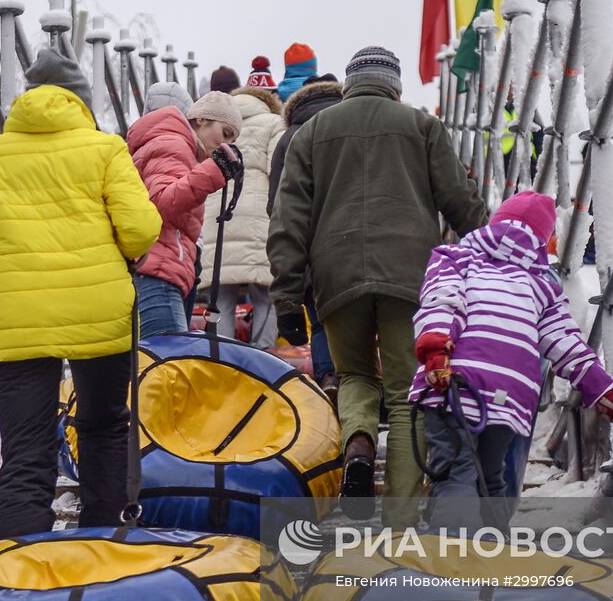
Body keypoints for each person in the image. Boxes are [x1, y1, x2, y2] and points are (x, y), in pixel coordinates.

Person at [0, 49, 162, 539]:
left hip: (17, 317)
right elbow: (139, 231)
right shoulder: (105, 148)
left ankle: (22, 576)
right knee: (104, 428)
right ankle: (100, 551)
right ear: (82, 103)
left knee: (26, 450)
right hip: (100, 310)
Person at [268, 46, 488, 527]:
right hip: (410, 276)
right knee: (408, 391)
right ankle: (401, 519)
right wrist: (496, 255)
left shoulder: (311, 134)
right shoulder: (423, 127)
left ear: (349, 84)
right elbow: (461, 204)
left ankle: (359, 446)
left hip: (336, 274)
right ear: (396, 85)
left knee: (354, 378)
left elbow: (288, 219)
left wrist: (287, 296)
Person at [412, 192, 613, 531]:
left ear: (494, 223)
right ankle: (492, 558)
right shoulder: (544, 284)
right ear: (543, 239)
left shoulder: (454, 258)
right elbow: (568, 348)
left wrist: (435, 351)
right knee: (491, 479)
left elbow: (442, 303)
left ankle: (454, 562)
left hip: (454, 380)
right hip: (511, 396)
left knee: (456, 475)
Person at [127, 90, 244, 338]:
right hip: (157, 274)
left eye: (231, 140)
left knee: (163, 365)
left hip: (161, 269)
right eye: (224, 133)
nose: (225, 145)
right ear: (201, 119)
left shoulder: (178, 146)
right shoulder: (173, 143)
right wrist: (214, 172)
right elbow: (160, 201)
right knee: (169, 367)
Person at [268, 73, 343, 399]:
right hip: (352, 245)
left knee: (321, 321)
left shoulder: (290, 137)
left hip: (311, 249)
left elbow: (277, 204)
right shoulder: (350, 129)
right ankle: (362, 389)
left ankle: (328, 379)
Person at [200, 84, 286, 346]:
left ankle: (224, 358)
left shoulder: (218, 125)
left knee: (220, 295)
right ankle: (263, 354)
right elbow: (279, 172)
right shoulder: (274, 123)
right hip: (259, 218)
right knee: (265, 293)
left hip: (218, 215)